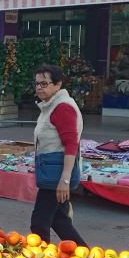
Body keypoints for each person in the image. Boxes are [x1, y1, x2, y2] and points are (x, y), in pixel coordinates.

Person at [30, 64, 87, 247]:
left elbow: (71, 144)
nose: (39, 87)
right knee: (59, 221)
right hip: (51, 171)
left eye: (44, 83)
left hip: (56, 175)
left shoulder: (62, 108)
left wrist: (65, 179)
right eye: (37, 83)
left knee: (39, 223)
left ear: (57, 85)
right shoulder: (50, 105)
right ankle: (84, 255)